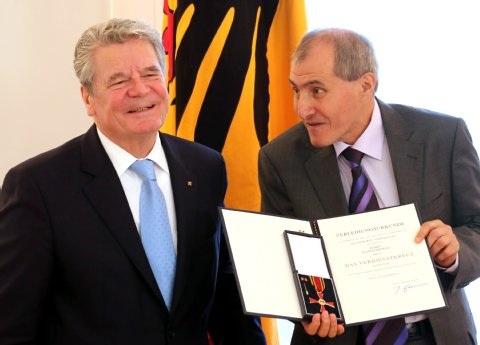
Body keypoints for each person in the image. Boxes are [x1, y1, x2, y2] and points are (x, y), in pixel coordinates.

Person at [0, 18, 265, 345]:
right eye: (118, 80)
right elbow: (12, 326)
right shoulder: (38, 187)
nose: (139, 89)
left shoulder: (205, 167)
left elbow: (227, 299)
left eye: (151, 73)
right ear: (88, 99)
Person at [259, 28, 480, 345]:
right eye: (296, 90)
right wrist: (306, 311)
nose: (302, 108)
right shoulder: (280, 158)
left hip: (433, 334)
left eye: (317, 91)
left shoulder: (442, 137)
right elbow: (282, 262)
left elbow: (477, 226)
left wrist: (454, 251)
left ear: (366, 84)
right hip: (338, 338)